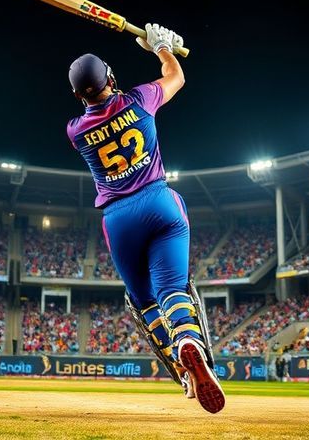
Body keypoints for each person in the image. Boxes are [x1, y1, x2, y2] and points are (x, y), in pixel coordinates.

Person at [67, 24, 225, 414]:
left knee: (142, 300)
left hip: (119, 219)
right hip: (161, 203)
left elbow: (96, 105)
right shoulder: (139, 101)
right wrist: (161, 47)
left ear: (76, 95)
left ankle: (179, 363)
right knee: (174, 290)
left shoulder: (76, 131)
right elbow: (176, 77)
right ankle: (189, 342)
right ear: (111, 78)